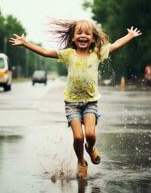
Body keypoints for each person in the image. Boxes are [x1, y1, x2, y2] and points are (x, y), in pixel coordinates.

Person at [9, 19, 142, 178]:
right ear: (73, 38)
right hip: (72, 103)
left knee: (91, 136)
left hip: (90, 102)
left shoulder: (97, 54)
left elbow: (115, 46)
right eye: (79, 33)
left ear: (93, 38)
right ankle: (81, 161)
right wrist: (25, 43)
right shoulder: (68, 54)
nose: (83, 36)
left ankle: (91, 149)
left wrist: (130, 36)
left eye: (87, 33)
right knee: (78, 137)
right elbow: (45, 52)